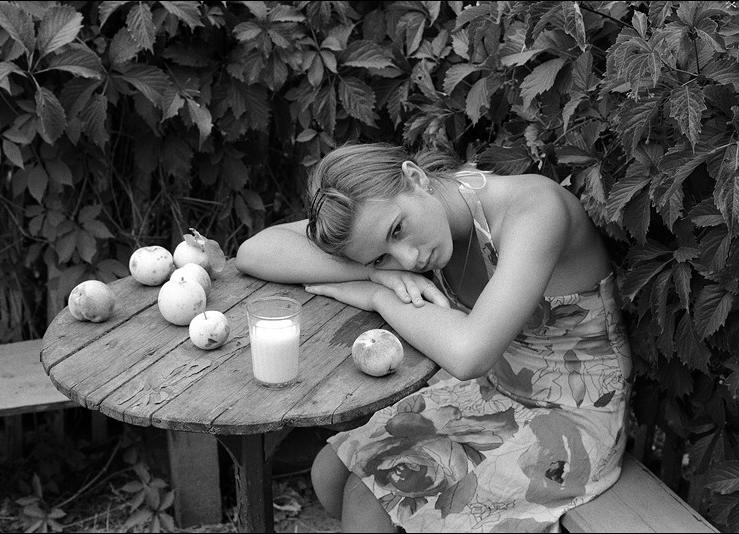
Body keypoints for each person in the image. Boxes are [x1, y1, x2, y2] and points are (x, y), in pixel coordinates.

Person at [235, 142, 633, 533]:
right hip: (494, 391)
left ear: (415, 177)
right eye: (381, 256)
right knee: (329, 471)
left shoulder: (535, 208)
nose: (408, 260)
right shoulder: (410, 235)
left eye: (397, 230)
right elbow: (255, 251)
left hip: (575, 416)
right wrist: (375, 273)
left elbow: (468, 355)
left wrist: (378, 296)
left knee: (368, 495)